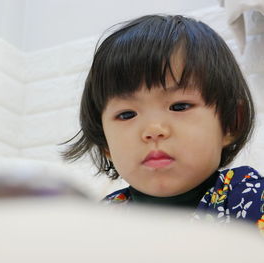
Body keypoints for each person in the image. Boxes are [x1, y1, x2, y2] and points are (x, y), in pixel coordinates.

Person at [62, 14, 264, 232]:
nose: (153, 130)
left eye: (179, 107)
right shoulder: (101, 220)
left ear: (231, 122)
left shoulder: (247, 195)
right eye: (127, 114)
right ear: (105, 144)